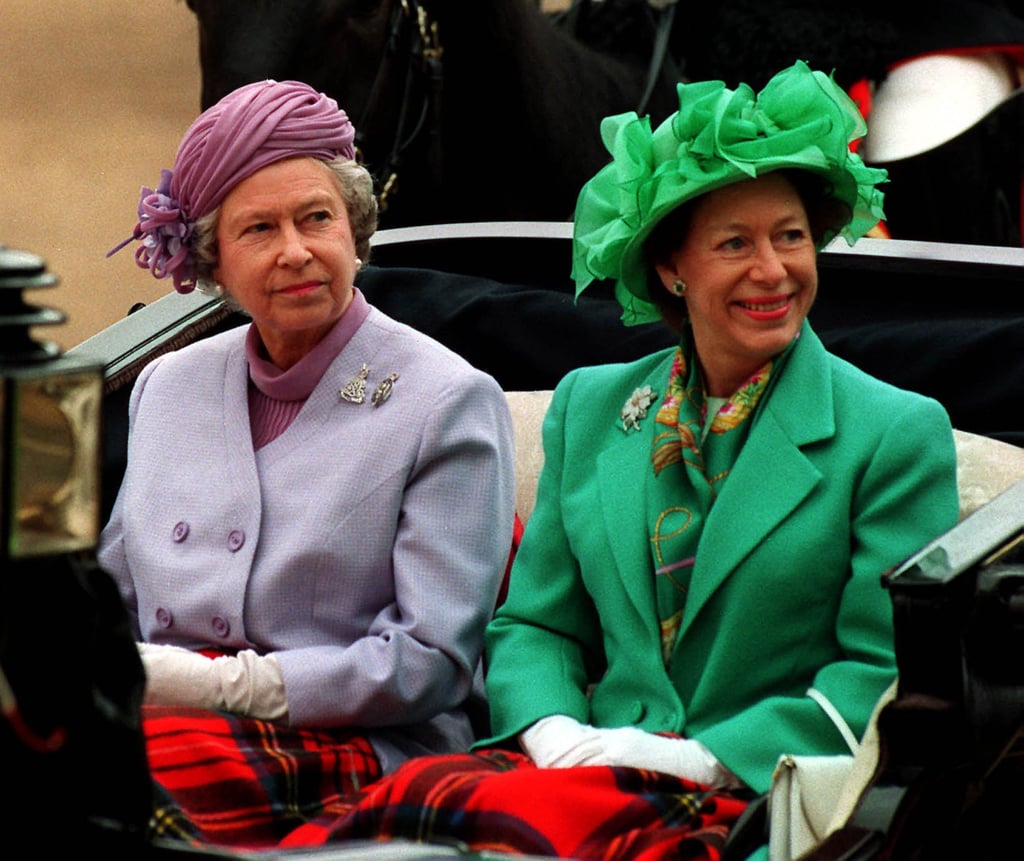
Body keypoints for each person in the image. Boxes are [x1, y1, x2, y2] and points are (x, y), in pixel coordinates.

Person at [276, 61, 962, 859]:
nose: (772, 270)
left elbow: (882, 672)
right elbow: (535, 622)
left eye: (791, 237)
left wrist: (698, 755)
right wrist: (551, 726)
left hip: (752, 795)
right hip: (573, 768)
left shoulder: (895, 432)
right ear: (673, 268)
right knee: (384, 828)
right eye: (734, 242)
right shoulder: (591, 406)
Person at [99, 79, 516, 846]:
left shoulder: (447, 398)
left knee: (119, 781)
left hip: (363, 744)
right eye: (259, 228)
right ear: (214, 260)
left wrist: (217, 685)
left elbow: (431, 660)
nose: (297, 251)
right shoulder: (166, 383)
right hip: (172, 724)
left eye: (317, 218)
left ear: (354, 230)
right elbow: (111, 599)